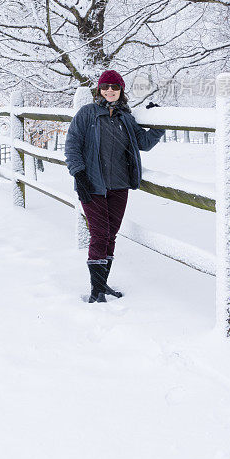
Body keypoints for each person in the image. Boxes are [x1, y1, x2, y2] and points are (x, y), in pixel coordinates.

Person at [65, 69, 164, 303]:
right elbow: (72, 145)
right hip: (93, 185)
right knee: (100, 234)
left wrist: (158, 122)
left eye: (115, 87)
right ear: (99, 89)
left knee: (111, 235)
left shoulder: (126, 118)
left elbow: (145, 143)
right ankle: (96, 291)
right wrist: (79, 174)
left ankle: (103, 285)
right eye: (106, 86)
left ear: (121, 91)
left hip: (119, 185)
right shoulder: (87, 114)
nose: (110, 91)